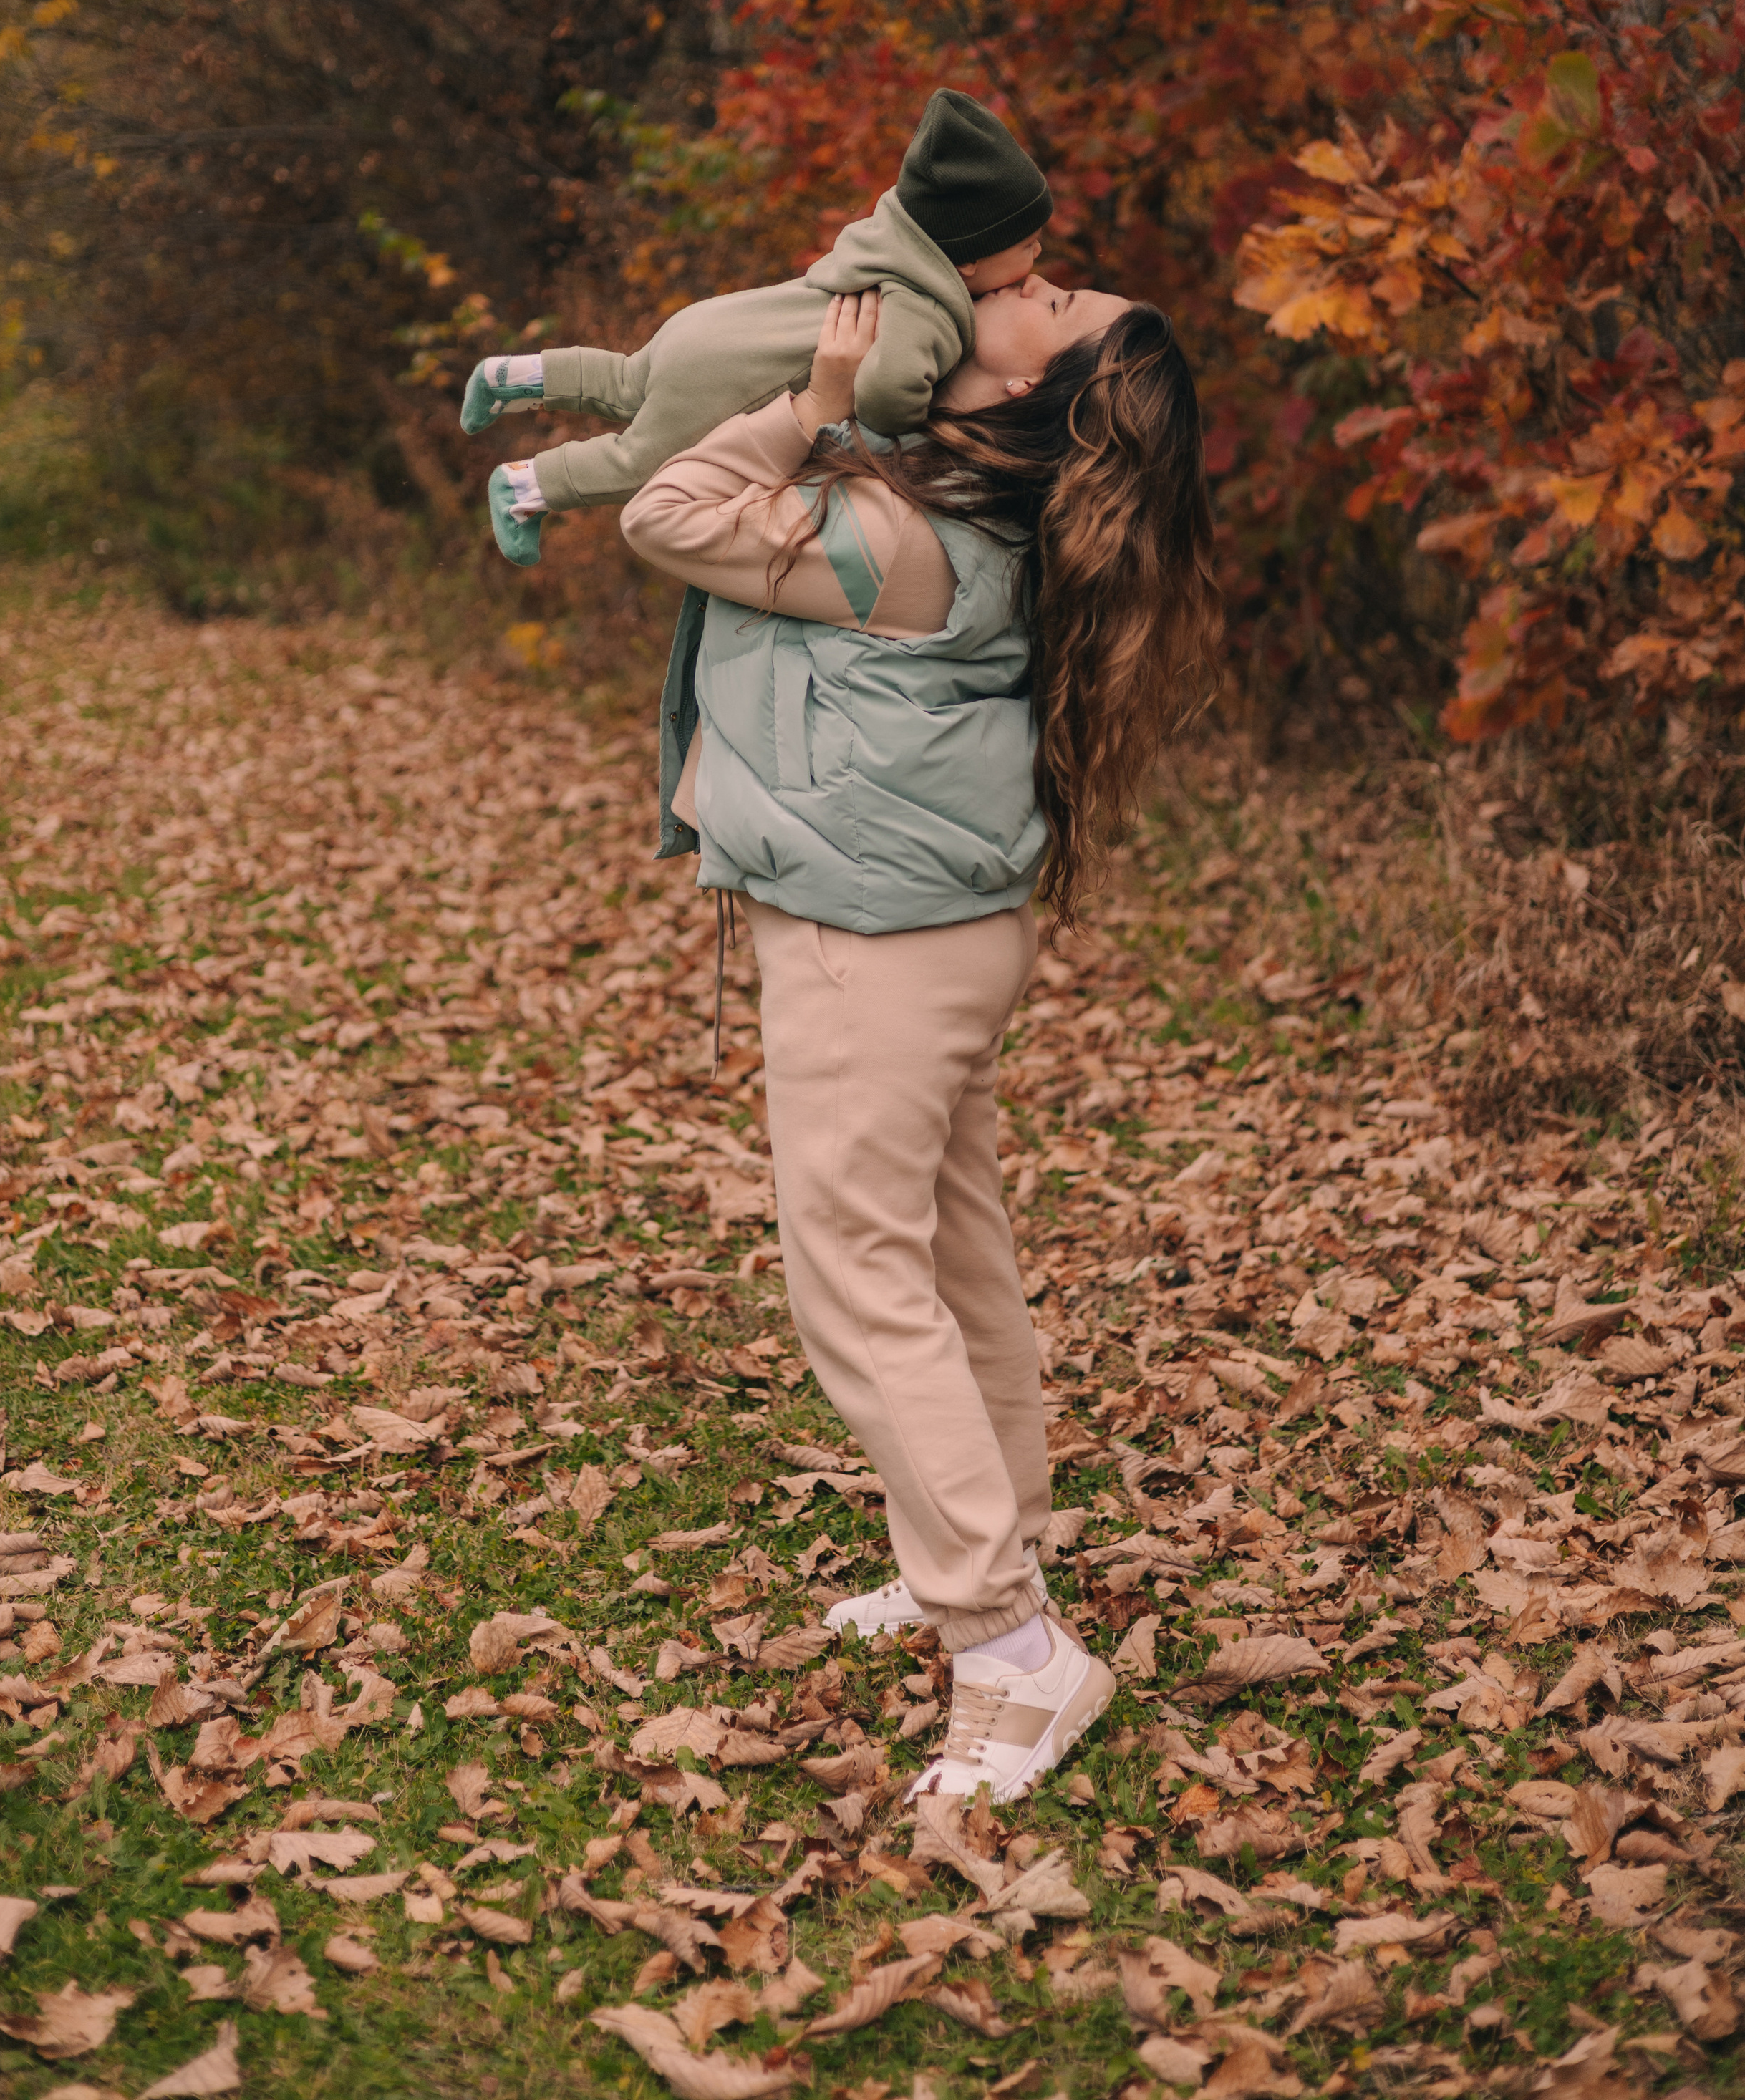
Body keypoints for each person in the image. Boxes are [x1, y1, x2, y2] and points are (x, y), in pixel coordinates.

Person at [619, 280, 1220, 1804]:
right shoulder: (971, 512)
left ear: (1030, 393)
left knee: (858, 1286)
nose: (1012, 286)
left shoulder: (898, 535)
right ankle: (988, 1545)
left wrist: (811, 406)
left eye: (1048, 300)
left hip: (869, 947)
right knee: (953, 1256)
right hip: (943, 930)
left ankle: (1009, 1646)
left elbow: (666, 510)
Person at [460, 87, 1093, 566]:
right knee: (641, 462)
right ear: (969, 259)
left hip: (709, 326)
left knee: (624, 380)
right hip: (728, 381)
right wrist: (915, 420)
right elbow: (886, 390)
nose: (1038, 258)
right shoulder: (926, 304)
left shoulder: (884, 241)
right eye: (1028, 245)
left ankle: (509, 376)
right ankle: (526, 487)